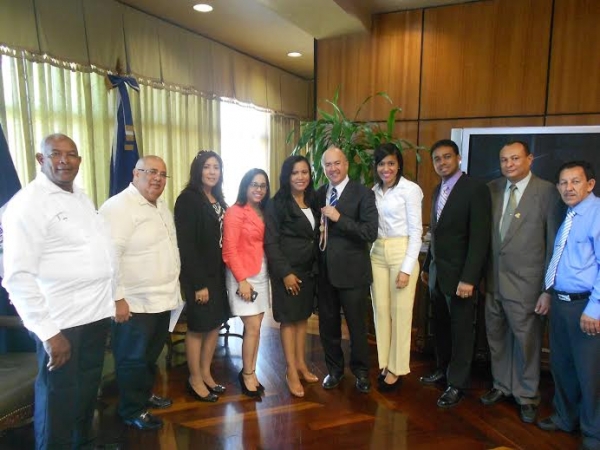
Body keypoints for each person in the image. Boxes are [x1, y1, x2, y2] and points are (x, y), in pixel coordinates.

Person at [2, 133, 115, 449]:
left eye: (72, 154)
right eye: (55, 154)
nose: (64, 160)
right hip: (61, 323)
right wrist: (50, 334)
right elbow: (17, 277)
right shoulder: (27, 205)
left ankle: (83, 442)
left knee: (85, 392)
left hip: (94, 316)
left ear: (79, 160)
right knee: (57, 401)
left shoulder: (79, 196)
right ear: (41, 159)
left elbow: (99, 254)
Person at [99, 155, 182, 431]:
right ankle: (132, 410)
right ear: (135, 174)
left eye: (162, 174)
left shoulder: (160, 206)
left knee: (149, 355)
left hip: (161, 299)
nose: (157, 178)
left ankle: (144, 395)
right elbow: (109, 257)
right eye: (150, 172)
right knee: (133, 359)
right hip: (134, 302)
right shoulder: (119, 207)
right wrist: (117, 297)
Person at [482, 141, 561, 423]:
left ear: (529, 159)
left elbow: (553, 244)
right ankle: (502, 385)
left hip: (528, 285)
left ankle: (527, 395)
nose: (509, 164)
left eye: (515, 158)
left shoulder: (548, 192)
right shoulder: (491, 189)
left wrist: (547, 289)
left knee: (527, 342)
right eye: (504, 160)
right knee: (497, 339)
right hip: (493, 282)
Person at [420, 139, 491, 408]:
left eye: (447, 157)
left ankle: (457, 383)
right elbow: (436, 235)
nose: (442, 162)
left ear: (458, 158)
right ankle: (443, 369)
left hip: (461, 278)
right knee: (440, 327)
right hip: (438, 273)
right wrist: (427, 267)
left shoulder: (475, 189)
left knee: (461, 331)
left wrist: (470, 278)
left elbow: (479, 238)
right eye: (437, 159)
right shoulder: (439, 189)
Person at [537, 161, 600, 450]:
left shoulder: (596, 214)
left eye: (575, 181)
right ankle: (565, 418)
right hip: (561, 303)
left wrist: (595, 308)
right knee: (562, 366)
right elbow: (560, 259)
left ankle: (593, 431)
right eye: (563, 182)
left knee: (590, 373)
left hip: (585, 306)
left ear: (590, 184)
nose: (568, 188)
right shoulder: (571, 214)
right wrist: (548, 292)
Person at [316, 146, 378, 393]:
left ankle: (361, 373)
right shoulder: (320, 194)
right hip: (324, 274)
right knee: (328, 327)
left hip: (353, 275)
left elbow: (369, 232)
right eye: (328, 165)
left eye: (337, 163)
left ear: (346, 165)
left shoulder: (363, 194)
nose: (333, 168)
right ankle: (334, 370)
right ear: (323, 168)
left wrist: (339, 218)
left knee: (356, 328)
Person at [174, 151, 230, 403]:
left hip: (217, 274)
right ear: (197, 170)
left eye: (216, 167)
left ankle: (206, 373)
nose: (212, 172)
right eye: (207, 167)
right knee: (198, 327)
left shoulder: (217, 198)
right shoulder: (188, 199)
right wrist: (198, 284)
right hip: (199, 276)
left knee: (215, 324)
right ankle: (194, 377)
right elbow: (186, 245)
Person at [264, 155, 320, 398]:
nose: (301, 177)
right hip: (287, 271)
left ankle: (301, 364)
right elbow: (271, 243)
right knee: (288, 320)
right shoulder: (277, 204)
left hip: (309, 271)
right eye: (295, 173)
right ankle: (291, 371)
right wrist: (285, 273)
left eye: (305, 172)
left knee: (301, 319)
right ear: (287, 176)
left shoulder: (313, 200)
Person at [370, 143, 423, 393]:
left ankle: (397, 368)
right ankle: (385, 362)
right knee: (380, 311)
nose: (386, 168)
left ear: (398, 164)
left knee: (400, 313)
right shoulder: (374, 191)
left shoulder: (410, 190)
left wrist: (407, 268)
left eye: (391, 163)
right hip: (377, 252)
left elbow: (416, 232)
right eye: (381, 164)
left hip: (402, 251)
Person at [223, 168, 271, 398]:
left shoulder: (263, 211)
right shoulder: (235, 212)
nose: (258, 189)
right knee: (252, 327)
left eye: (262, 185)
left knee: (257, 327)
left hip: (262, 273)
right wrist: (241, 280)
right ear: (245, 186)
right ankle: (247, 374)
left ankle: (249, 370)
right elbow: (229, 250)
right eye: (254, 184)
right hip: (243, 276)